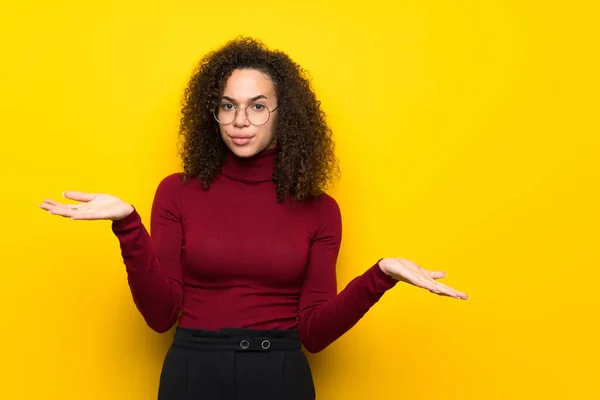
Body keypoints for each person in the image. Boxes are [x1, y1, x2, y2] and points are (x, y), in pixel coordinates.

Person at [39, 36, 468, 400]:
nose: (240, 121)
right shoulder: (176, 192)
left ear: (286, 114)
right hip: (193, 373)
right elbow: (159, 315)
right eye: (228, 106)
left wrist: (381, 275)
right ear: (213, 113)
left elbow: (315, 334)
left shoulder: (320, 210)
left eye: (258, 106)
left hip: (280, 376)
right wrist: (128, 225)